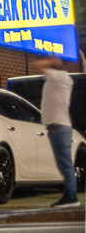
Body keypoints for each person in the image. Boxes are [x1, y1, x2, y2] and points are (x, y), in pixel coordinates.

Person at [32, 56, 81, 208]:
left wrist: (51, 62)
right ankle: (70, 195)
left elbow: (37, 64)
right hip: (58, 127)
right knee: (64, 163)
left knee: (65, 163)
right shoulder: (60, 78)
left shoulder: (59, 76)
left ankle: (71, 197)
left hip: (59, 127)